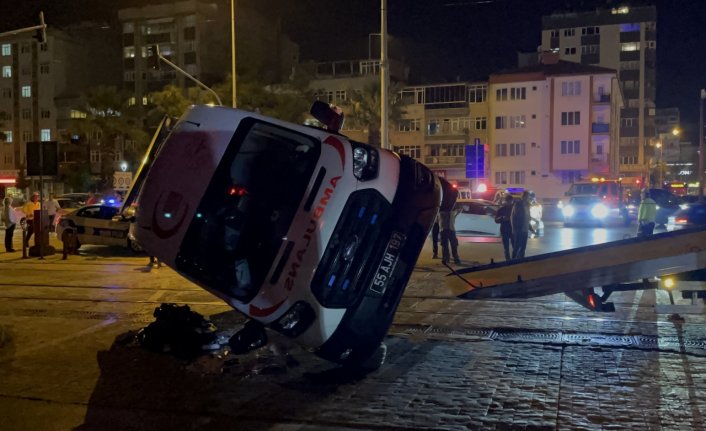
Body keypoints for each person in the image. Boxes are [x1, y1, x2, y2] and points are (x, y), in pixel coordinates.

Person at [510, 190, 534, 259]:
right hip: (519, 229)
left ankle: (521, 261)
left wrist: (530, 227)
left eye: (528, 196)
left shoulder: (527, 205)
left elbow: (527, 218)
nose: (527, 198)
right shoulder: (518, 205)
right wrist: (514, 229)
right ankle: (513, 261)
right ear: (523, 196)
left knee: (523, 248)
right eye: (526, 196)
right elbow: (513, 217)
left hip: (525, 230)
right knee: (517, 247)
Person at [494, 194, 514, 261]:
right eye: (508, 201)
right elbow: (496, 220)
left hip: (513, 230)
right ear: (505, 201)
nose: (509, 203)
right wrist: (502, 218)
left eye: (510, 201)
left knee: (515, 247)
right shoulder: (501, 209)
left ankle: (514, 260)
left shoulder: (514, 209)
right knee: (506, 248)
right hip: (504, 230)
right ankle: (508, 261)